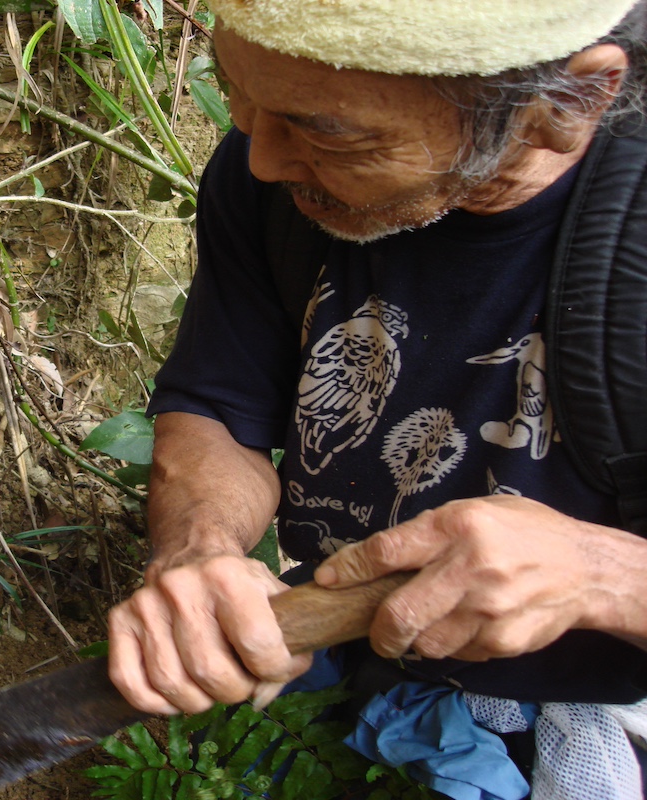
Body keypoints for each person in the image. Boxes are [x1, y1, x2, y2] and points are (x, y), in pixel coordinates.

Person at [106, 0, 647, 796]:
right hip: (367, 666)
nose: (261, 156)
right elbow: (220, 408)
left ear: (568, 104)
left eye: (330, 132)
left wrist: (604, 573)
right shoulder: (278, 183)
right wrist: (201, 550)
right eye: (237, 94)